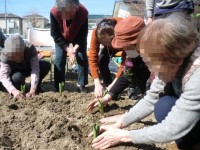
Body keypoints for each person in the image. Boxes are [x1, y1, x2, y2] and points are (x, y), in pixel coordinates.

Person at [90, 13, 200, 150]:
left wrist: (125, 136)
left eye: (153, 64)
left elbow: (174, 126)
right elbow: (151, 98)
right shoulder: (170, 60)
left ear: (175, 58)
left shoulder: (197, 76)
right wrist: (121, 123)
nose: (152, 71)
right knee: (163, 106)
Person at [87, 16, 150, 112]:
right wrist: (107, 97)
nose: (123, 50)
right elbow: (128, 74)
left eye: (125, 46)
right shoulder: (133, 52)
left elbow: (155, 94)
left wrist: (126, 116)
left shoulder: (158, 56)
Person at [50, 0, 88, 92]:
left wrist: (74, 48)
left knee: (81, 57)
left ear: (75, 7)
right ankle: (59, 85)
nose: (65, 17)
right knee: (59, 58)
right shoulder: (54, 12)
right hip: (61, 38)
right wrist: (67, 48)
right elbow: (55, 34)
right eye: (62, 13)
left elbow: (83, 35)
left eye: (68, 13)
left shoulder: (83, 13)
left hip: (78, 36)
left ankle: (81, 84)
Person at [89, 18, 125, 98]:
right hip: (110, 46)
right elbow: (92, 57)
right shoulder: (96, 32)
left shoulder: (122, 32)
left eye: (106, 41)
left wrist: (114, 83)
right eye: (101, 41)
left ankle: (132, 87)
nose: (103, 44)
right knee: (102, 62)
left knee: (131, 66)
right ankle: (108, 85)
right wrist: (97, 83)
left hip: (122, 45)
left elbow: (124, 63)